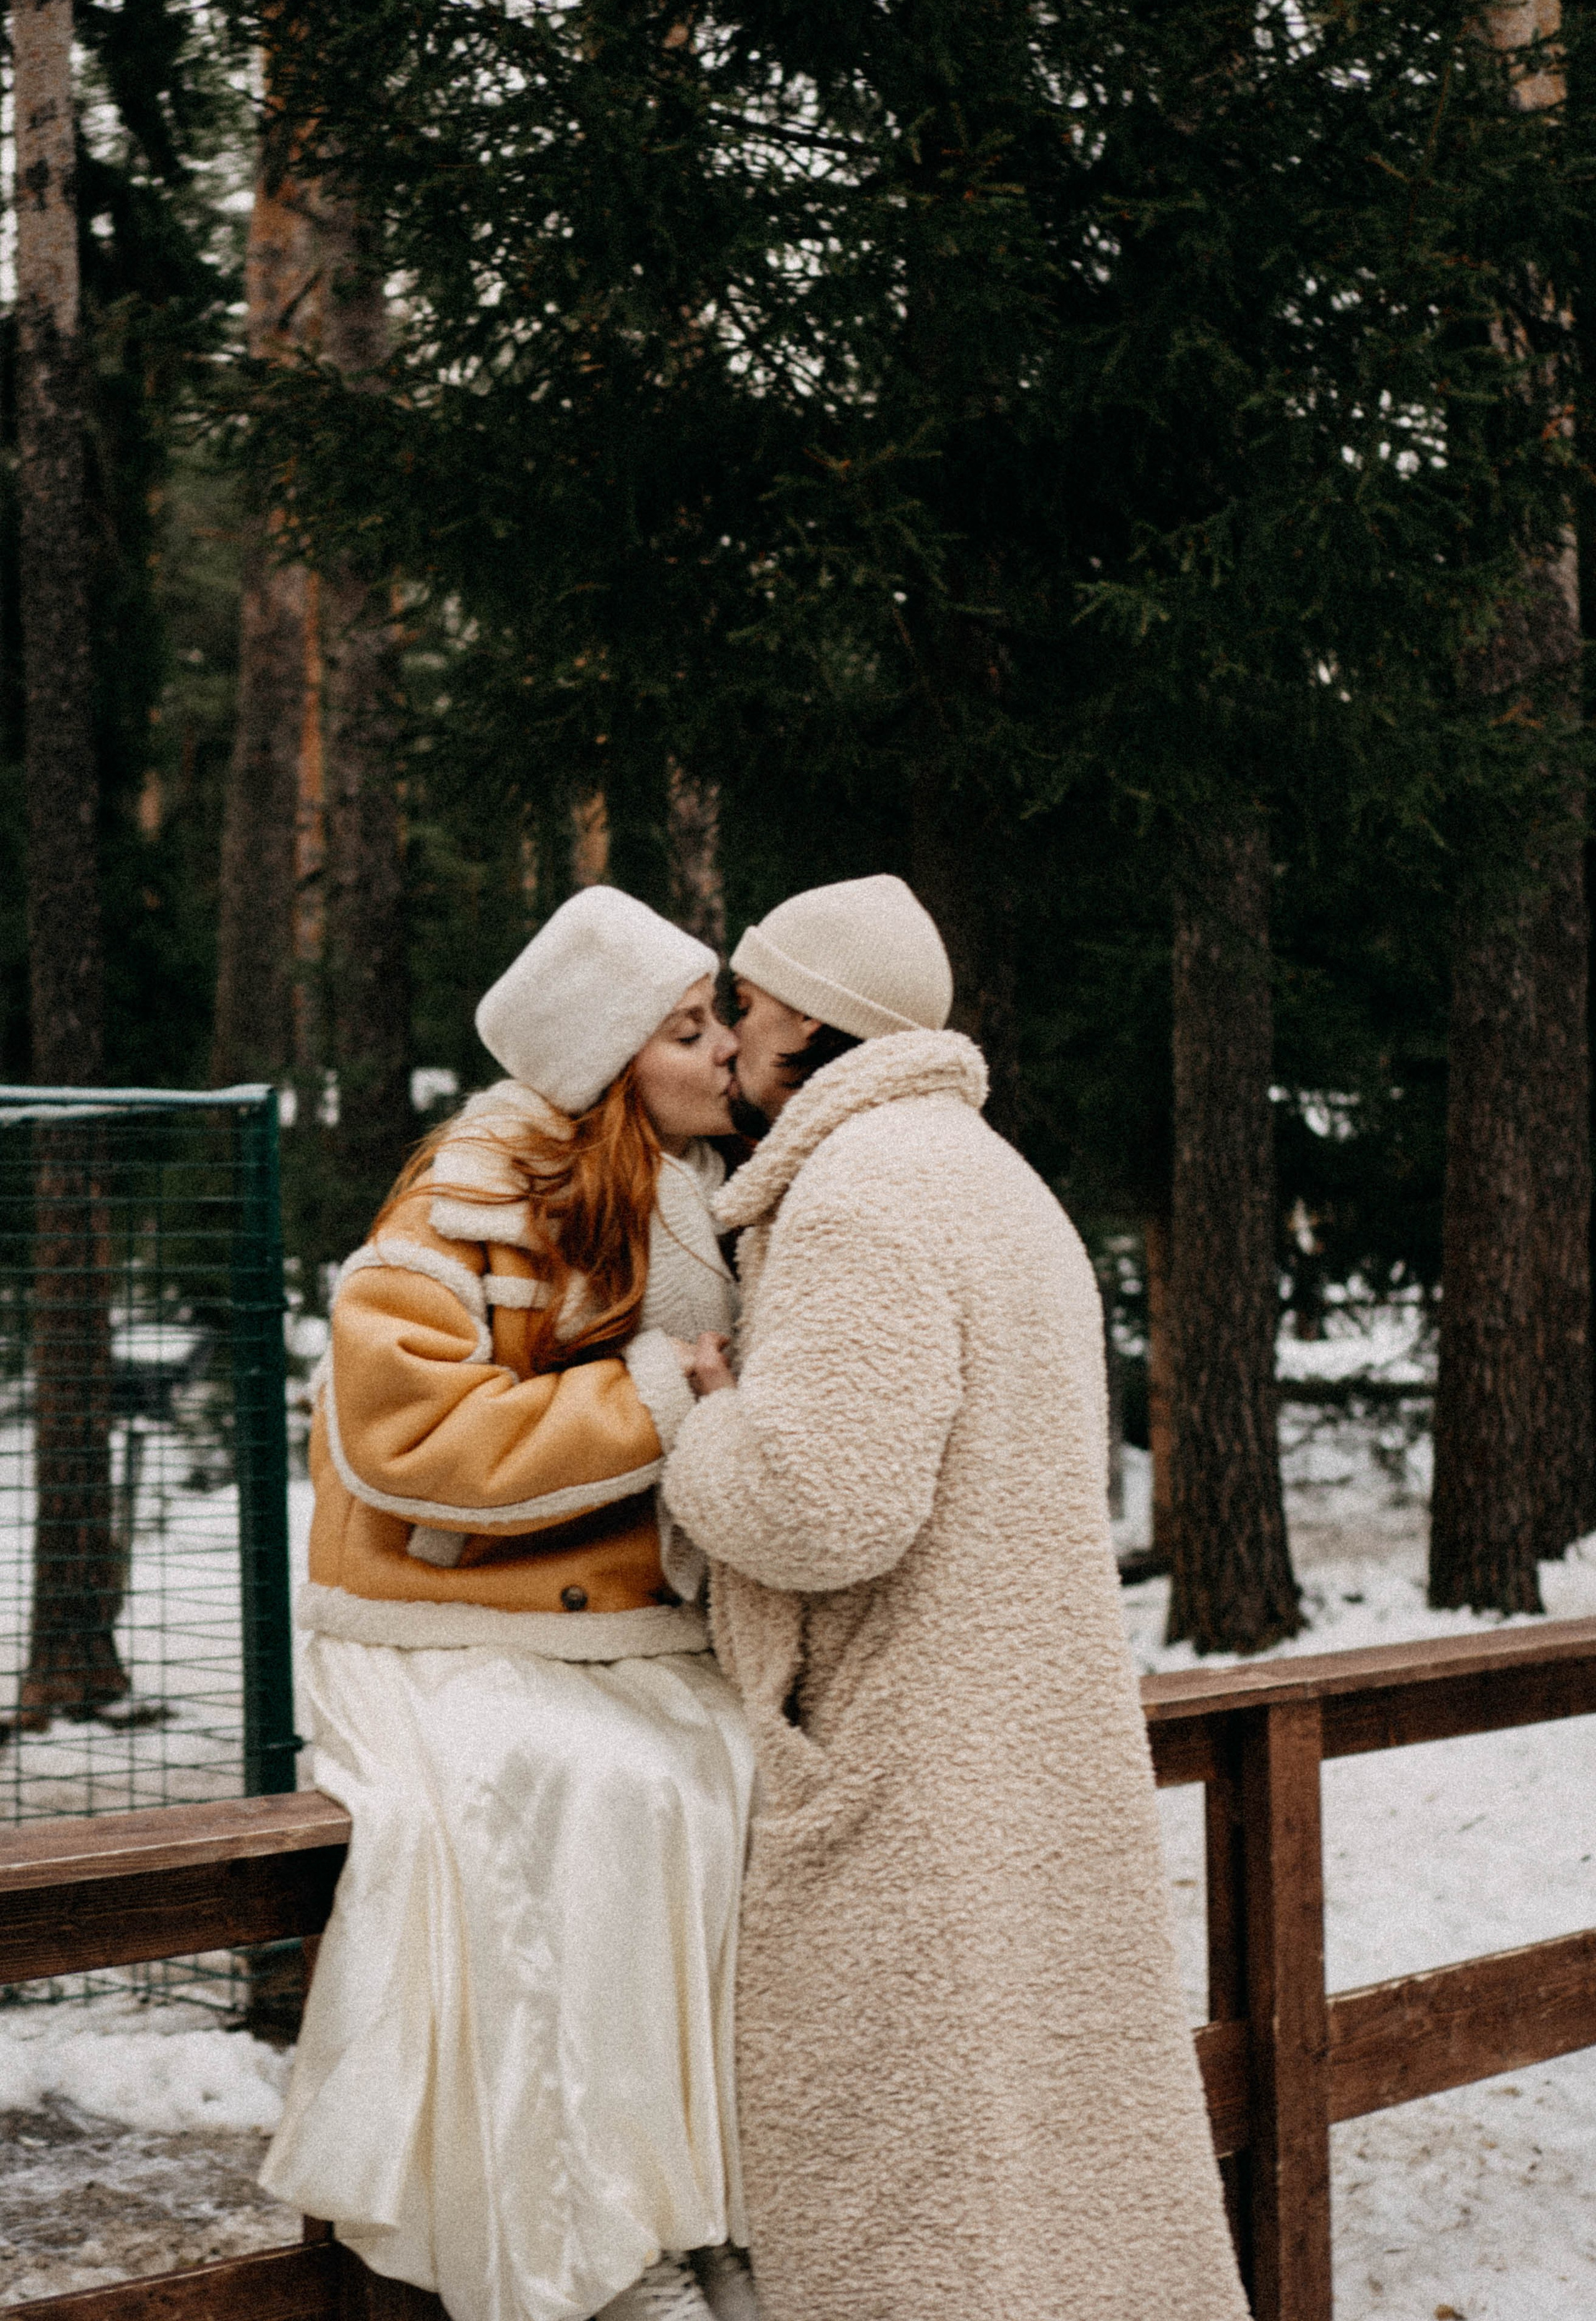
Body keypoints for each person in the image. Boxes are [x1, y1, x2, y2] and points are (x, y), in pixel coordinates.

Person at [665, 875, 1250, 2321]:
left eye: (744, 1000)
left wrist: (704, 1426)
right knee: (1044, 2175)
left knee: (917, 2191)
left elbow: (823, 1508)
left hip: (912, 1770)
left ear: (805, 1013)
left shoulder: (859, 1195)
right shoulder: (994, 1181)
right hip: (1021, 1744)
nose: (730, 1033)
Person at [262, 887, 759, 2321]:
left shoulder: (674, 1188)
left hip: (597, 1629)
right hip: (439, 1626)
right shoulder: (463, 1195)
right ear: (609, 1065)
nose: (724, 1047)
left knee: (724, 1775)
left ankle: (701, 2196)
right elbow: (411, 1436)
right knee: (587, 1795)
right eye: (687, 1027)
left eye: (718, 1015)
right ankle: (589, 2253)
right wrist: (659, 1394)